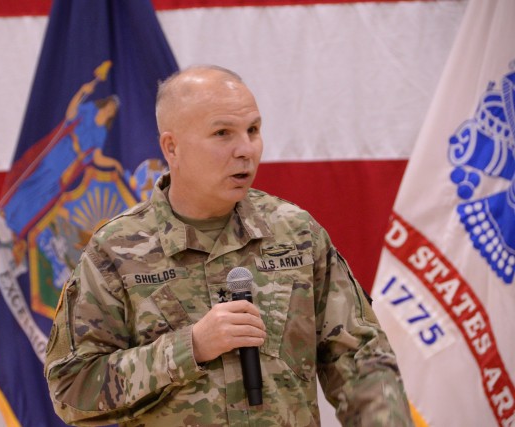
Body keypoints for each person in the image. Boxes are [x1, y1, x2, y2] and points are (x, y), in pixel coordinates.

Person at [44, 65, 414, 426]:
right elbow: (72, 389)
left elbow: (363, 361)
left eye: (253, 130)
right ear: (172, 147)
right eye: (223, 133)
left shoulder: (295, 233)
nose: (246, 150)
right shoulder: (116, 250)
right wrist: (190, 347)